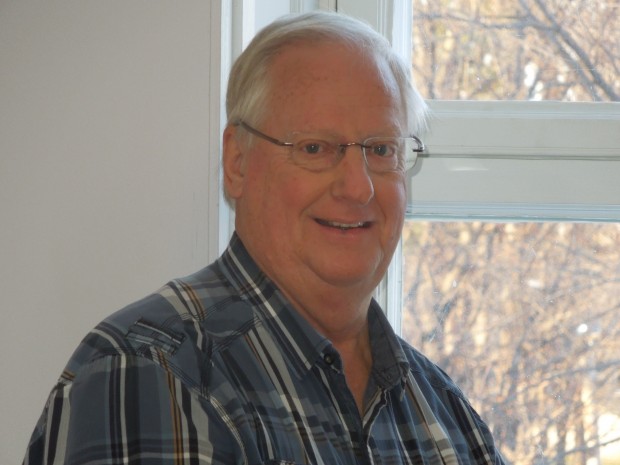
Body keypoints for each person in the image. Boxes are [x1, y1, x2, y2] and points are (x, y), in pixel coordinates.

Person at [23, 11, 505, 465]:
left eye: (381, 149)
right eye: (315, 148)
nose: (358, 187)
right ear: (238, 161)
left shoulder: (446, 413)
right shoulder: (153, 373)